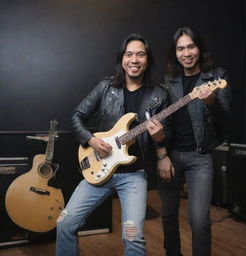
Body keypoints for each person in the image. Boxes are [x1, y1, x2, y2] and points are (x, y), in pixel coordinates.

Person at [55, 33, 170, 256]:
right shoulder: (106, 86)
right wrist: (91, 140)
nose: (134, 60)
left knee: (133, 236)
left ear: (147, 60)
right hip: (99, 169)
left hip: (134, 175)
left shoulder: (160, 94)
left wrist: (159, 139)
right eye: (129, 54)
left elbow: (165, 136)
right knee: (65, 223)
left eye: (140, 54)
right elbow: (76, 116)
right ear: (122, 59)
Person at [157, 27, 232, 256]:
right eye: (181, 48)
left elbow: (227, 121)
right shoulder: (169, 80)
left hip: (200, 157)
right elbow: (164, 119)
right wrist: (162, 154)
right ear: (175, 52)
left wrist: (211, 102)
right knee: (169, 214)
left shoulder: (216, 77)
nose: (186, 53)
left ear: (199, 49)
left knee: (199, 220)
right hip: (170, 156)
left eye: (191, 46)